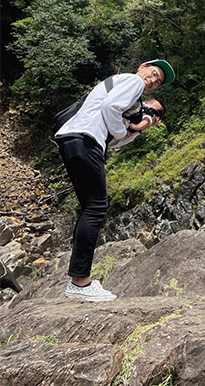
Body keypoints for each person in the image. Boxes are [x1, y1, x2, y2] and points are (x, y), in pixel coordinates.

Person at [54, 59, 175, 301]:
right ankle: (80, 282)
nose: (152, 81)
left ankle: (79, 280)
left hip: (73, 139)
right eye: (152, 73)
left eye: (157, 81)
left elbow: (115, 138)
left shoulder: (122, 89)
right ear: (142, 66)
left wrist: (137, 127)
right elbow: (111, 109)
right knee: (96, 207)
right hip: (87, 139)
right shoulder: (132, 81)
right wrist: (124, 129)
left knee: (90, 207)